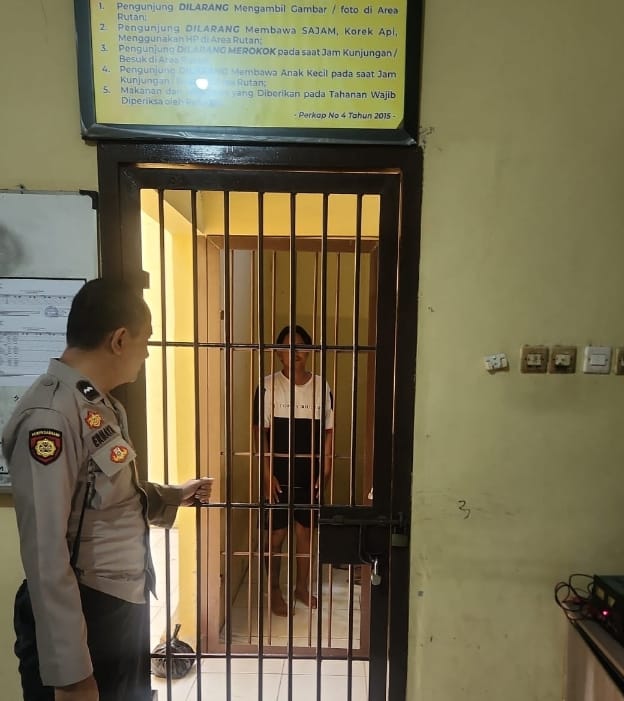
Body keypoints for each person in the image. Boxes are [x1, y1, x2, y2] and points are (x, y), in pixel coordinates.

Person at [3, 278, 213, 701]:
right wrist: (71, 673)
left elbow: (107, 497)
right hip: (84, 615)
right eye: (145, 340)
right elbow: (46, 555)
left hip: (118, 605)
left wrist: (173, 495)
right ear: (119, 340)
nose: (147, 353)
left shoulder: (98, 405)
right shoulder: (51, 417)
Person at [253, 325, 333, 617]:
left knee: (305, 534)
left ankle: (301, 587)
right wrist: (267, 473)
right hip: (277, 472)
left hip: (309, 472)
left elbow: (328, 430)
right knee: (275, 535)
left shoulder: (322, 386)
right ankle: (274, 590)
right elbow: (259, 432)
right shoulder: (267, 386)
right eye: (288, 347)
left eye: (301, 346)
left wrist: (326, 468)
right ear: (278, 353)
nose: (295, 352)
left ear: (310, 351)